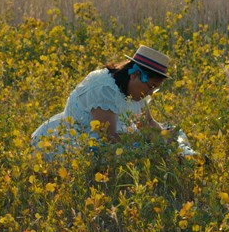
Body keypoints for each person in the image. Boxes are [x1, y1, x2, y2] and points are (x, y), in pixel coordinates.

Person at [31, 45, 195, 159]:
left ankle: (189, 158)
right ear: (135, 75)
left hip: (109, 140)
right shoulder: (104, 89)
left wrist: (165, 135)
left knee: (173, 133)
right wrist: (152, 140)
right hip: (70, 144)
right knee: (140, 150)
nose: (151, 92)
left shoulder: (137, 91)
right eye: (151, 86)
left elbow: (148, 122)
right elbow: (109, 138)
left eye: (155, 88)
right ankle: (179, 158)